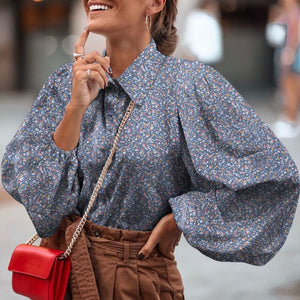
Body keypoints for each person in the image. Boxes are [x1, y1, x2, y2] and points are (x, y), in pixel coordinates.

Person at [1, 0, 299, 298]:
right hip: (63, 279)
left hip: (138, 283)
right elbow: (43, 210)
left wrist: (184, 217)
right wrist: (75, 110)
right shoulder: (64, 85)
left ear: (154, 3)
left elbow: (274, 178)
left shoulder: (189, 86)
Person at [271, 0, 300, 138]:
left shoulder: (293, 9)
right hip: (293, 51)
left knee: (290, 85)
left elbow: (295, 31)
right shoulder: (291, 10)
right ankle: (289, 119)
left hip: (293, 51)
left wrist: (290, 50)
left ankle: (291, 120)